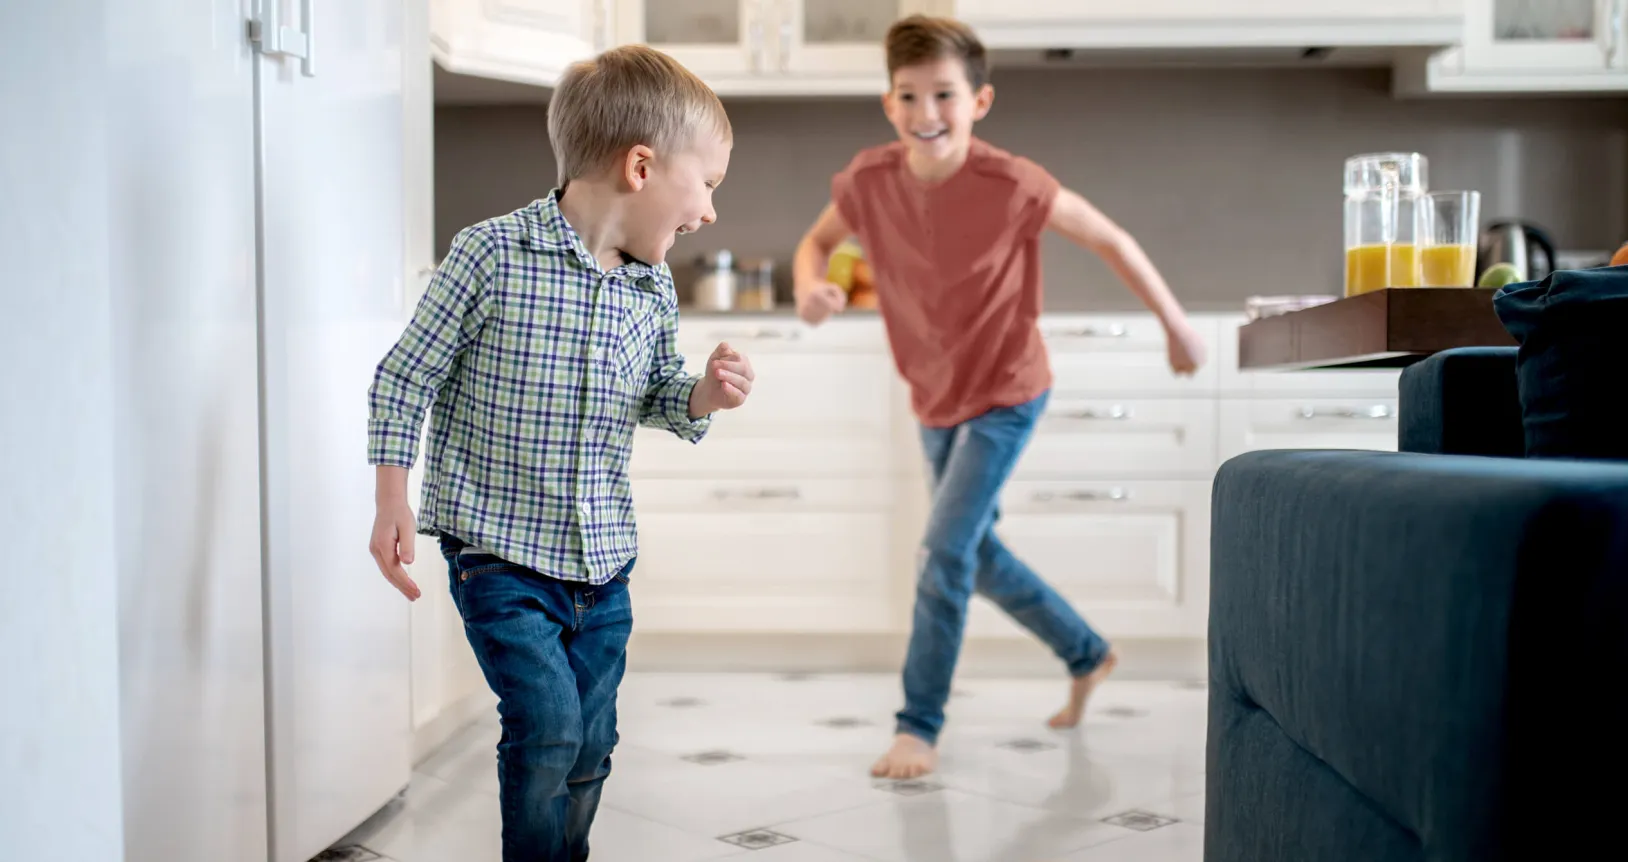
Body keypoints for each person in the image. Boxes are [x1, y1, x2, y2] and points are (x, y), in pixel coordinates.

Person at [364, 45, 753, 862]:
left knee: (590, 744)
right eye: (709, 183)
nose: (711, 211)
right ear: (641, 167)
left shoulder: (651, 286)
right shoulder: (490, 255)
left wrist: (702, 396)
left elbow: (655, 390)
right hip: (500, 556)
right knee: (546, 731)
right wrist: (392, 499)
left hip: (603, 565)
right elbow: (406, 376)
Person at [793, 14, 1206, 781]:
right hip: (934, 397)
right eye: (909, 96)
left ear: (979, 101)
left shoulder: (1013, 182)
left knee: (943, 553)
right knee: (973, 555)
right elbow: (816, 244)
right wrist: (808, 289)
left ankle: (917, 726)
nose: (926, 113)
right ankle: (1087, 652)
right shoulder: (869, 181)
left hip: (1008, 392)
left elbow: (1109, 237)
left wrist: (1176, 326)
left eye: (944, 94)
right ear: (889, 103)